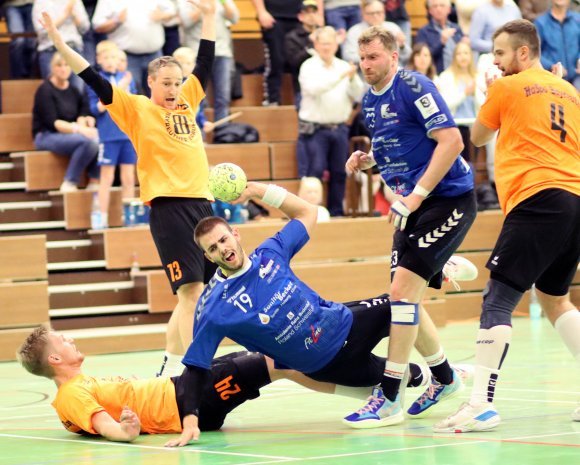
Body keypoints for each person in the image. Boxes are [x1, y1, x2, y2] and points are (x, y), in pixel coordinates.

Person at [170, 180, 476, 444]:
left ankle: (444, 375)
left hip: (345, 323)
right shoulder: (214, 308)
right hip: (327, 365)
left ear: (235, 234)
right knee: (404, 378)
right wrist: (190, 419)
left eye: (223, 239)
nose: (222, 249)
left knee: (402, 303)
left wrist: (256, 191)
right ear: (206, 256)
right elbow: (196, 368)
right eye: (212, 249)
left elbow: (307, 211)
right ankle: (431, 374)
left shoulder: (270, 253)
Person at [38, 1, 218, 378]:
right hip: (170, 208)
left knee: (194, 296)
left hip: (204, 204)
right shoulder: (134, 107)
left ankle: (169, 369)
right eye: (165, 83)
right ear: (150, 82)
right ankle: (198, 373)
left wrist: (209, 14)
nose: (173, 89)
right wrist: (57, 39)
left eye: (177, 82)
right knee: (192, 294)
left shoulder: (188, 101)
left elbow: (206, 59)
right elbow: (89, 74)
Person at [434, 19, 580, 433]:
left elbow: (478, 137)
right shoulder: (568, 90)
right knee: (555, 299)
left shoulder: (506, 86)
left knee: (497, 298)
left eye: (499, 53)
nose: (494, 61)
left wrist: (487, 93)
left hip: (537, 197)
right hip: (574, 197)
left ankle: (480, 404)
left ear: (522, 52)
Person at [344, 26, 477, 428]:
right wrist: (369, 160)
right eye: (362, 58)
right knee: (406, 297)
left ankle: (388, 397)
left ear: (393, 55)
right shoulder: (369, 100)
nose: (366, 65)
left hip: (446, 199)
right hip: (411, 207)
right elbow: (394, 144)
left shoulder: (414, 85)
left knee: (402, 293)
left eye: (373, 58)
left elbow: (451, 141)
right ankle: (445, 377)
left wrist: (416, 195)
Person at [17, 325, 434, 445]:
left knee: (283, 360)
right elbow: (102, 424)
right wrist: (124, 432)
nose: (71, 340)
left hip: (186, 386)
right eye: (63, 341)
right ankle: (398, 383)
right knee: (284, 359)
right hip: (188, 401)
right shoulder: (70, 394)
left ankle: (394, 384)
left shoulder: (82, 381)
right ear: (55, 360)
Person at [297, 26, 365, 216]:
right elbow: (314, 89)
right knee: (315, 172)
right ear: (316, 44)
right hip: (315, 129)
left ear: (336, 44)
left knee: (339, 172)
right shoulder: (308, 66)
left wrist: (352, 80)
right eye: (323, 43)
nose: (326, 47)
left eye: (330, 43)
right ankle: (310, 214)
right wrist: (342, 76)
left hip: (340, 128)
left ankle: (336, 213)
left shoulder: (344, 66)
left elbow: (358, 94)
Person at [86, 40, 137, 229]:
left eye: (113, 57)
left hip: (127, 134)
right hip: (108, 136)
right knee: (106, 177)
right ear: (98, 60)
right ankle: (102, 218)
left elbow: (133, 103)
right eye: (106, 57)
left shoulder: (127, 78)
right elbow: (97, 107)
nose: (110, 61)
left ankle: (129, 217)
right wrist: (119, 88)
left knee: (129, 177)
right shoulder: (97, 80)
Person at [32, 52, 100, 192]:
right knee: (89, 141)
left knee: (99, 138)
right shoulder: (45, 90)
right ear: (52, 68)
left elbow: (83, 109)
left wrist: (84, 119)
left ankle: (94, 180)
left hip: (69, 133)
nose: (63, 69)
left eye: (66, 65)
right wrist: (80, 130)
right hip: (46, 135)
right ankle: (70, 182)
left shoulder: (73, 89)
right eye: (59, 65)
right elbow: (53, 123)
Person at [436, 42, 478, 163]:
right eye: (459, 53)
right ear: (454, 57)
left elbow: (483, 104)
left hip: (473, 126)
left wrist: (476, 93)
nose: (463, 57)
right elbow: (445, 104)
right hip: (455, 127)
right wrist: (465, 93)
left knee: (471, 162)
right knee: (458, 162)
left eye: (466, 53)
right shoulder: (446, 77)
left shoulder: (476, 76)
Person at [343, 0, 410, 67]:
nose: (375, 16)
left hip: (394, 72)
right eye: (371, 13)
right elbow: (348, 57)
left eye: (378, 12)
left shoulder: (393, 28)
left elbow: (408, 56)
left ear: (384, 13)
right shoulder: (354, 31)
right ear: (363, 15)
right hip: (366, 73)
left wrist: (402, 46)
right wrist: (373, 57)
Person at [534, 0, 579, 85]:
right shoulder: (540, 23)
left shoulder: (578, 20)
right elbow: (535, 52)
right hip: (552, 78)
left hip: (577, 76)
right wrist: (551, 66)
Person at [415, 0, 465, 74]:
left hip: (458, 75)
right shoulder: (423, 32)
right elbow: (421, 59)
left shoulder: (456, 28)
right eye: (435, 6)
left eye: (442, 5)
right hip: (435, 76)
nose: (438, 9)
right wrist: (441, 42)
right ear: (430, 11)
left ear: (449, 9)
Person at [4, 0, 35, 78]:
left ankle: (29, 75)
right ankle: (17, 77)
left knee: (31, 42)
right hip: (12, 4)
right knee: (18, 40)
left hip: (32, 3)